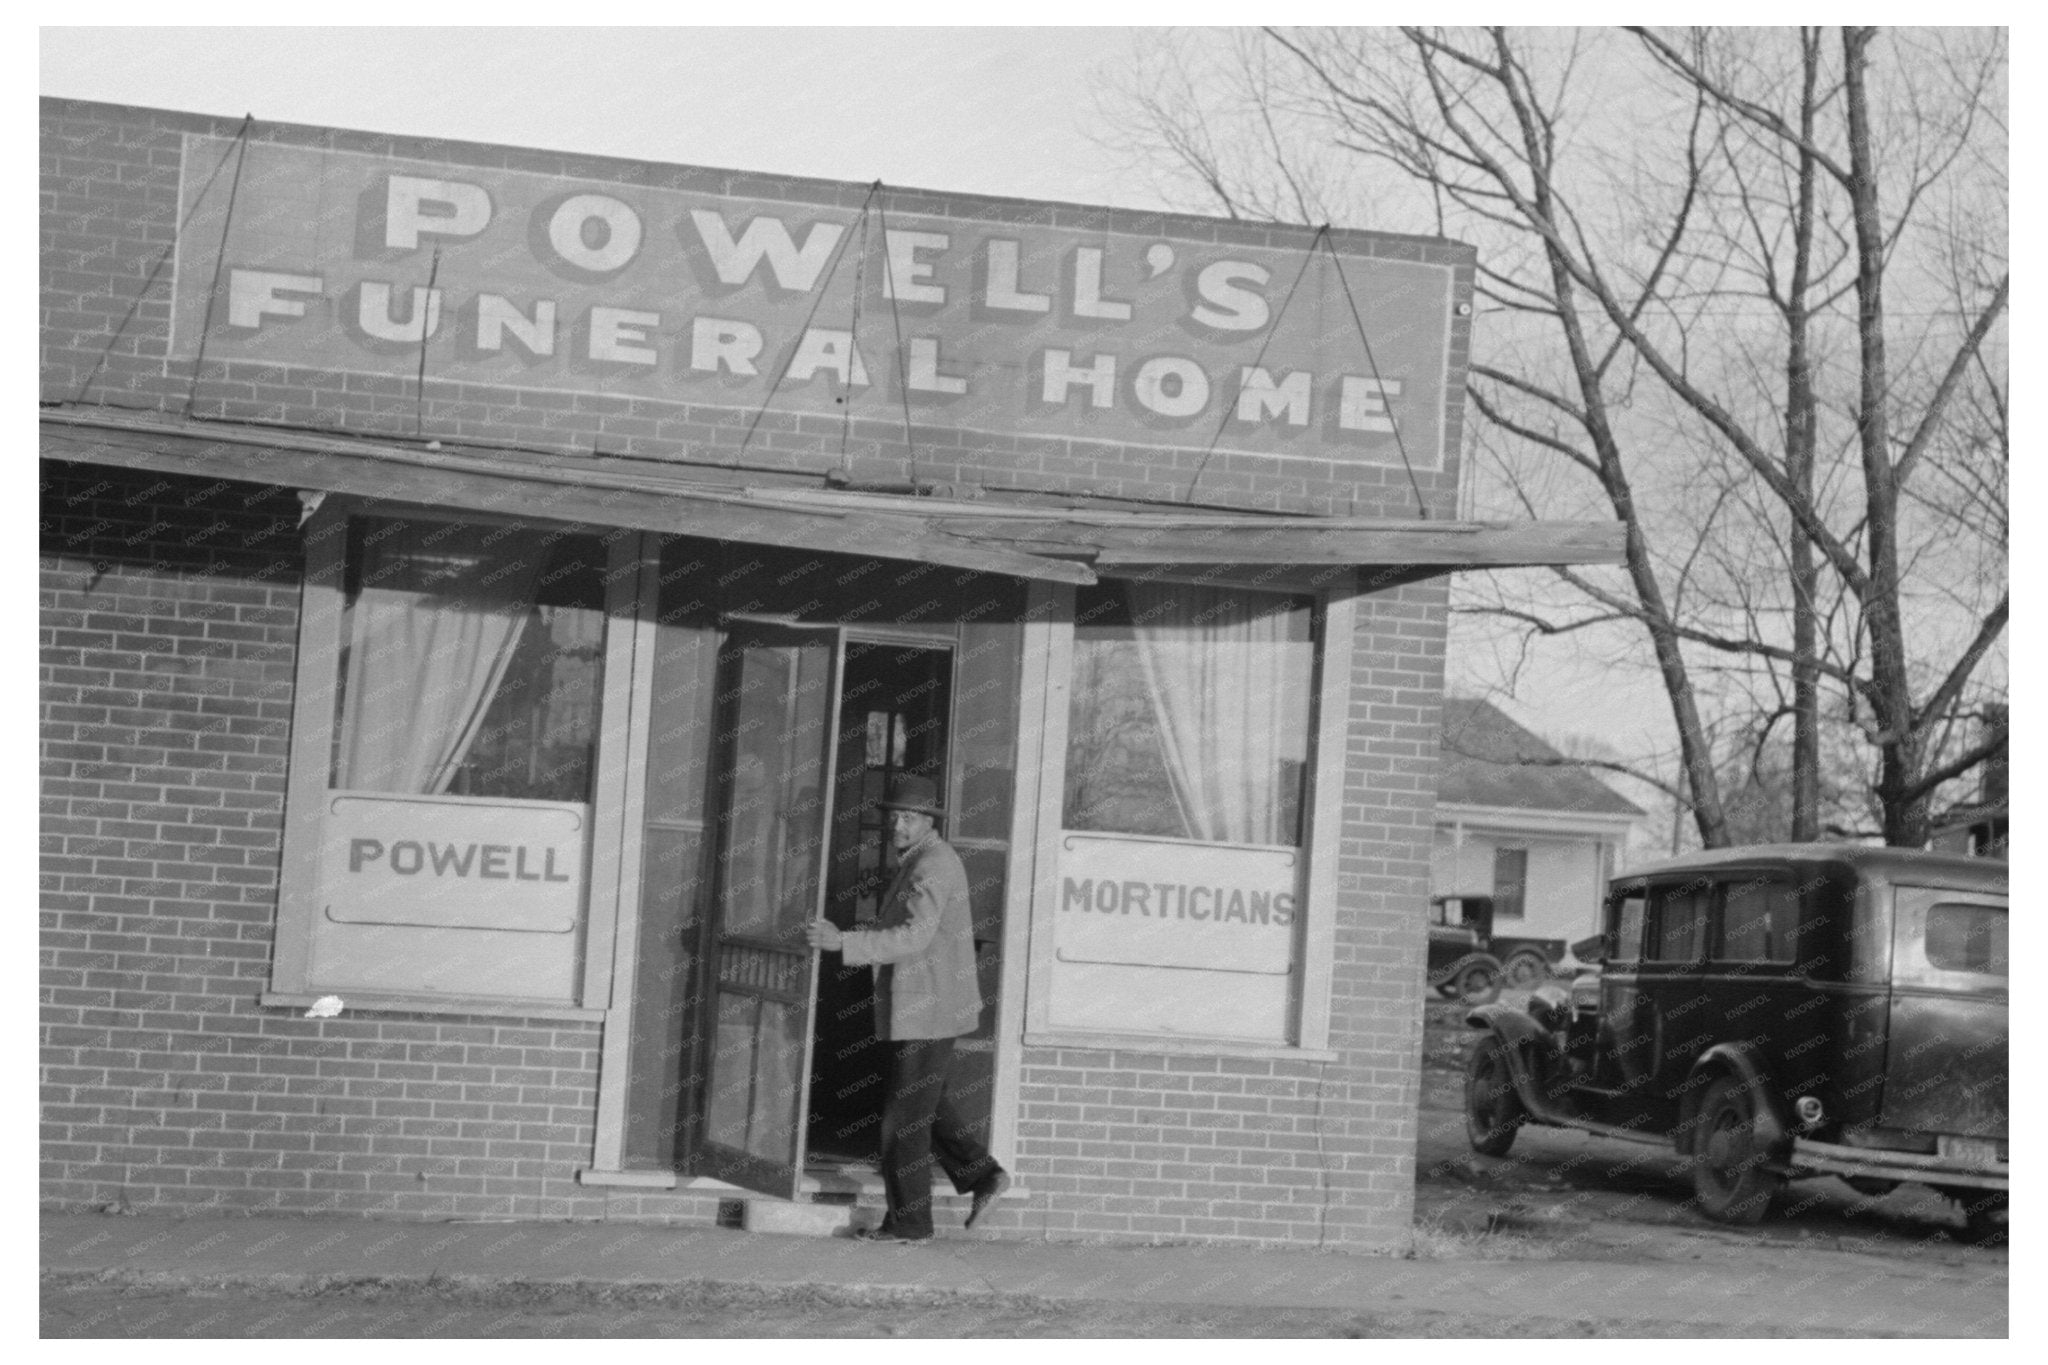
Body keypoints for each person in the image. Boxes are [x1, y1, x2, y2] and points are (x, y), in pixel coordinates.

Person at [804, 773, 1009, 1241]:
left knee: (903, 1122)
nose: (897, 825)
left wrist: (843, 942)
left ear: (928, 822)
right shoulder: (919, 859)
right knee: (925, 1105)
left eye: (908, 818)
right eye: (893, 816)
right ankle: (982, 1175)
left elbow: (913, 936)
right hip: (927, 1006)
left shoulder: (931, 866)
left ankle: (911, 1223)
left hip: (930, 1009)